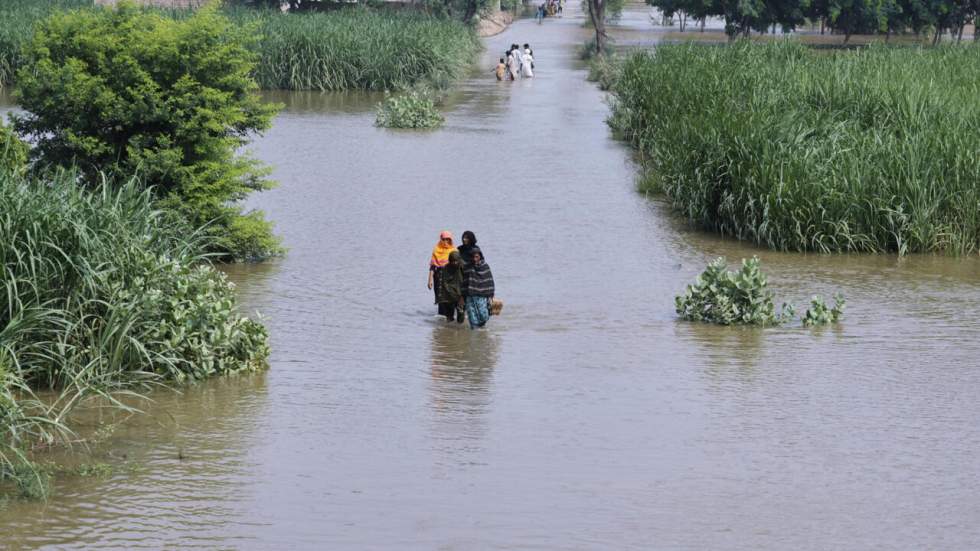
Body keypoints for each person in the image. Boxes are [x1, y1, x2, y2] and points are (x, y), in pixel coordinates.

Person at [462, 247, 495, 329]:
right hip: (470, 296)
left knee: (484, 315)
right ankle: (474, 332)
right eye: (473, 257)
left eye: (476, 257)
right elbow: (463, 282)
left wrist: (491, 295)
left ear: (480, 256)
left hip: (482, 296)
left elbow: (489, 281)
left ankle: (482, 329)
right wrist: (461, 297)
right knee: (472, 316)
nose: (474, 259)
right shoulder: (467, 267)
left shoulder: (485, 266)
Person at [427, 231, 456, 312]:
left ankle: (450, 318)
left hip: (450, 278)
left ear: (451, 240)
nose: (446, 241)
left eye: (448, 239)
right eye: (444, 239)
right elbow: (432, 266)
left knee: (450, 299)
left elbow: (457, 267)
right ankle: (441, 321)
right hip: (438, 278)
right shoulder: (436, 250)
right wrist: (430, 280)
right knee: (441, 299)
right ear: (441, 239)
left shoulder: (454, 250)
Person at [436, 251, 465, 323]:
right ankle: (449, 330)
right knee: (449, 315)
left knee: (461, 313)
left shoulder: (463, 266)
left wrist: (463, 295)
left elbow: (467, 280)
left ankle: (460, 330)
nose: (455, 263)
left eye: (456, 261)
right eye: (453, 261)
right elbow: (444, 283)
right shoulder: (446, 268)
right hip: (449, 294)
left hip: (461, 293)